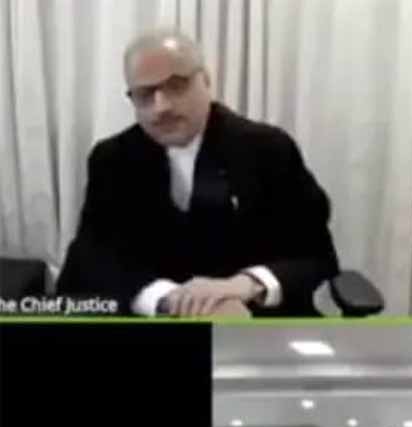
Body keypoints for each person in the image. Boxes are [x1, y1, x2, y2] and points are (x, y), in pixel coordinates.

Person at [57, 29, 339, 318]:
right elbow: (94, 257)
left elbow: (316, 256)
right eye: (144, 94)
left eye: (176, 86)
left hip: (255, 323)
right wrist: (168, 299)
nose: (161, 107)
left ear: (206, 80)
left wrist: (245, 285)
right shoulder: (112, 158)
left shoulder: (269, 149)